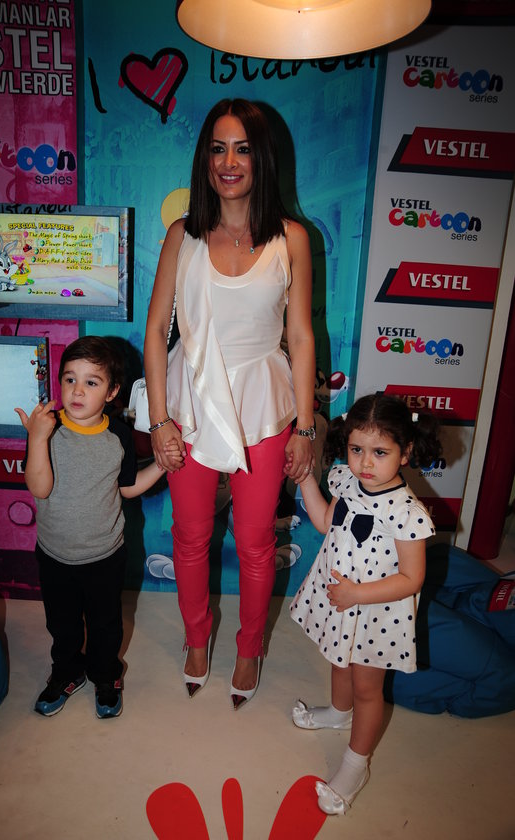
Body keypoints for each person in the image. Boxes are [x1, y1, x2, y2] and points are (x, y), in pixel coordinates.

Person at [143, 98, 316, 708]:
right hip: (189, 407)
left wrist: (306, 428)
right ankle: (197, 639)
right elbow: (156, 330)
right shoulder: (182, 235)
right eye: (218, 148)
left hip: (264, 405)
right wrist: (158, 421)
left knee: (255, 541)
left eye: (242, 148)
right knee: (190, 535)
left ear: (261, 157)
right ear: (205, 159)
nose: (229, 161)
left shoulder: (292, 238)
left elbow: (300, 336)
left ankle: (248, 648)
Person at [289, 393, 441, 814]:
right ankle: (339, 713)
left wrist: (357, 594)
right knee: (339, 662)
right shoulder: (345, 481)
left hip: (377, 613)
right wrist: (305, 479)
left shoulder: (407, 513)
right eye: (357, 450)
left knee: (367, 689)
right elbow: (326, 522)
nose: (365, 463)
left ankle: (356, 765)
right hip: (341, 600)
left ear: (405, 452)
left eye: (380, 452)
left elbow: (412, 578)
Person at [15, 336, 176, 719]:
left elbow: (127, 487)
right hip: (55, 554)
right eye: (70, 379)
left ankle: (106, 676)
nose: (77, 390)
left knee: (106, 626)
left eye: (91, 382)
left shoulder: (118, 436)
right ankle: (66, 672)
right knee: (62, 625)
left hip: (104, 555)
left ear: (112, 391)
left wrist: (161, 466)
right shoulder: (47, 428)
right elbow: (39, 488)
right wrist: (36, 438)